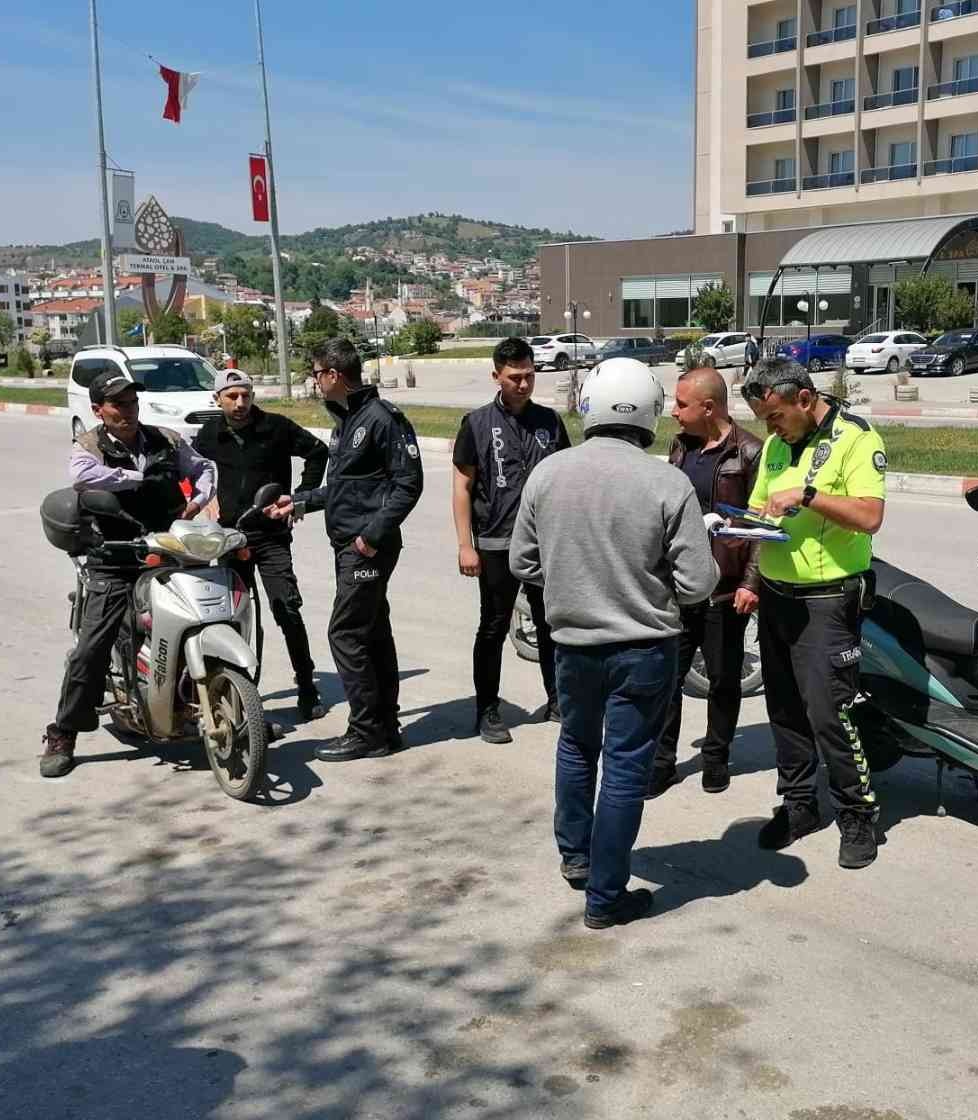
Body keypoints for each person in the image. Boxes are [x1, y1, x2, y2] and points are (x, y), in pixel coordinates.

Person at [510, 357, 718, 930]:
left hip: (572, 644)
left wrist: (571, 573)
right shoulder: (668, 482)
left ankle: (576, 857)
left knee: (577, 747)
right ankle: (605, 896)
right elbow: (699, 583)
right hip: (644, 649)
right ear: (649, 414)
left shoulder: (548, 474)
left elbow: (522, 560)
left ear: (590, 409)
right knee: (626, 767)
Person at [738, 357, 888, 869]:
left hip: (828, 600)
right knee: (784, 710)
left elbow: (870, 517)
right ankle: (799, 804)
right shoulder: (779, 446)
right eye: (764, 419)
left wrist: (808, 494)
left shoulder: (856, 438)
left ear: (803, 399)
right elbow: (761, 513)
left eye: (775, 416)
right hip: (778, 596)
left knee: (831, 713)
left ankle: (857, 814)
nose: (769, 428)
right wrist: (747, 564)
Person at [39, 369, 217, 778]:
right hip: (115, 557)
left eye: (132, 402)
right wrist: (135, 478)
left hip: (169, 547)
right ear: (99, 410)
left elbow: (202, 467)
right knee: (92, 649)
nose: (128, 410)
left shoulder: (165, 440)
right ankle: (64, 731)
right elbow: (83, 478)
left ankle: (226, 703)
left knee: (206, 614)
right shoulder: (89, 445)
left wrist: (199, 498)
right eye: (118, 404)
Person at [266, 338, 424, 763]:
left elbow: (409, 484)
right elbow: (345, 487)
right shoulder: (348, 419)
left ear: (334, 375)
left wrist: (371, 535)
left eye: (316, 373)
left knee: (346, 633)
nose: (314, 381)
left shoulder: (381, 419)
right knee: (371, 633)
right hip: (351, 545)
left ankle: (366, 731)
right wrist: (299, 502)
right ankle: (385, 728)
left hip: (366, 548)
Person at [648, 354, 762, 799]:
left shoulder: (749, 452)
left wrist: (751, 583)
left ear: (709, 408)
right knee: (666, 679)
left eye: (681, 404)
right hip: (679, 587)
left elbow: (758, 525)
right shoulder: (681, 447)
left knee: (724, 679)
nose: (674, 412)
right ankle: (662, 762)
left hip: (725, 590)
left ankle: (717, 758)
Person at [193, 368, 330, 721]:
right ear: (218, 399)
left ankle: (307, 686)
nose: (240, 403)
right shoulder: (209, 434)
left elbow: (318, 452)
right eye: (232, 397)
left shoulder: (277, 427)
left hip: (270, 536)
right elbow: (189, 470)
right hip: (227, 538)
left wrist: (299, 497)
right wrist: (202, 499)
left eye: (246, 395)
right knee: (226, 617)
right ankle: (232, 689)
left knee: (286, 609)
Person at [452, 336, 570, 743]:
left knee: (551, 625)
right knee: (493, 627)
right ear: (496, 376)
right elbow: (462, 486)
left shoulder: (550, 422)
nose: (523, 384)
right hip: (496, 544)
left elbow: (566, 480)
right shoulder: (476, 423)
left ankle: (557, 700)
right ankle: (487, 709)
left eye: (529, 376)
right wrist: (466, 544)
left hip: (546, 545)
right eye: (514, 377)